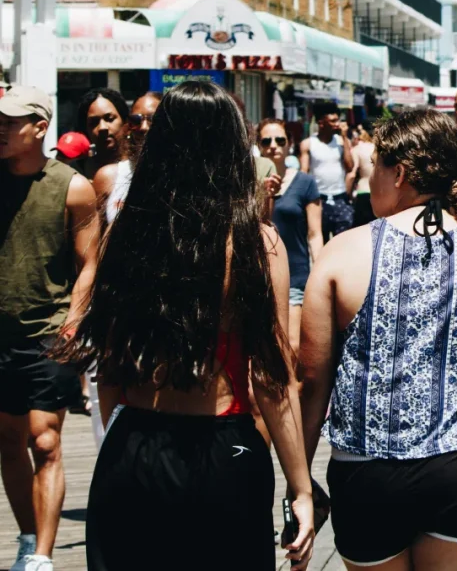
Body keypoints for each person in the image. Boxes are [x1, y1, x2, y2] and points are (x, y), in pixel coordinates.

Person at [56, 82, 314, 571]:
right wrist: (300, 488)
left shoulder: (127, 233)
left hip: (134, 445)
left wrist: (121, 442)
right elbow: (273, 377)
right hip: (224, 449)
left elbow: (109, 366)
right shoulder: (258, 244)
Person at [298, 109, 457, 570]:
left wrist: (300, 481)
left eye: (374, 168)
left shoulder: (341, 252)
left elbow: (311, 381)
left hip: (368, 471)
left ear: (400, 172)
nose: (370, 181)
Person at [0, 86, 99, 571]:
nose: (0, 128)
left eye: (10, 121)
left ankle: (41, 554)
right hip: (2, 334)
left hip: (50, 330)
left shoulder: (72, 186)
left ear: (40, 127)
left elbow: (90, 262)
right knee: (8, 440)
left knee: (45, 440)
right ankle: (24, 535)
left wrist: (75, 318)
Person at [258, 119, 323, 351]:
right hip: (259, 274)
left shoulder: (305, 183)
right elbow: (259, 225)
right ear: (259, 145)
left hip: (296, 274)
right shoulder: (249, 183)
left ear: (289, 144)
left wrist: (319, 271)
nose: (273, 145)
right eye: (266, 141)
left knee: (292, 346)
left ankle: (291, 388)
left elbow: (315, 234)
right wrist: (265, 195)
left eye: (280, 140)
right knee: (264, 347)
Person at [92, 91, 161, 231]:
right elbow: (93, 243)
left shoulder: (182, 177)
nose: (144, 127)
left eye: (153, 119)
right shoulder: (108, 177)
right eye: (136, 120)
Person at [300, 102, 355, 242]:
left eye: (338, 120)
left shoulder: (341, 142)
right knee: (319, 241)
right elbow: (304, 173)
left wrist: (345, 138)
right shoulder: (308, 144)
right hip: (318, 199)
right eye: (332, 121)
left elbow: (350, 167)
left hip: (340, 198)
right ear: (321, 123)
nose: (337, 124)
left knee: (342, 242)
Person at [76, 88, 129, 179]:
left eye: (109, 119)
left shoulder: (139, 166)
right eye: (94, 122)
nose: (102, 127)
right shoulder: (77, 173)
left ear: (125, 121)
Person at [348, 124, 376, 228]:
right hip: (380, 192)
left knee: (361, 228)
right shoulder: (380, 149)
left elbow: (352, 173)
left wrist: (347, 194)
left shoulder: (357, 149)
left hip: (363, 190)